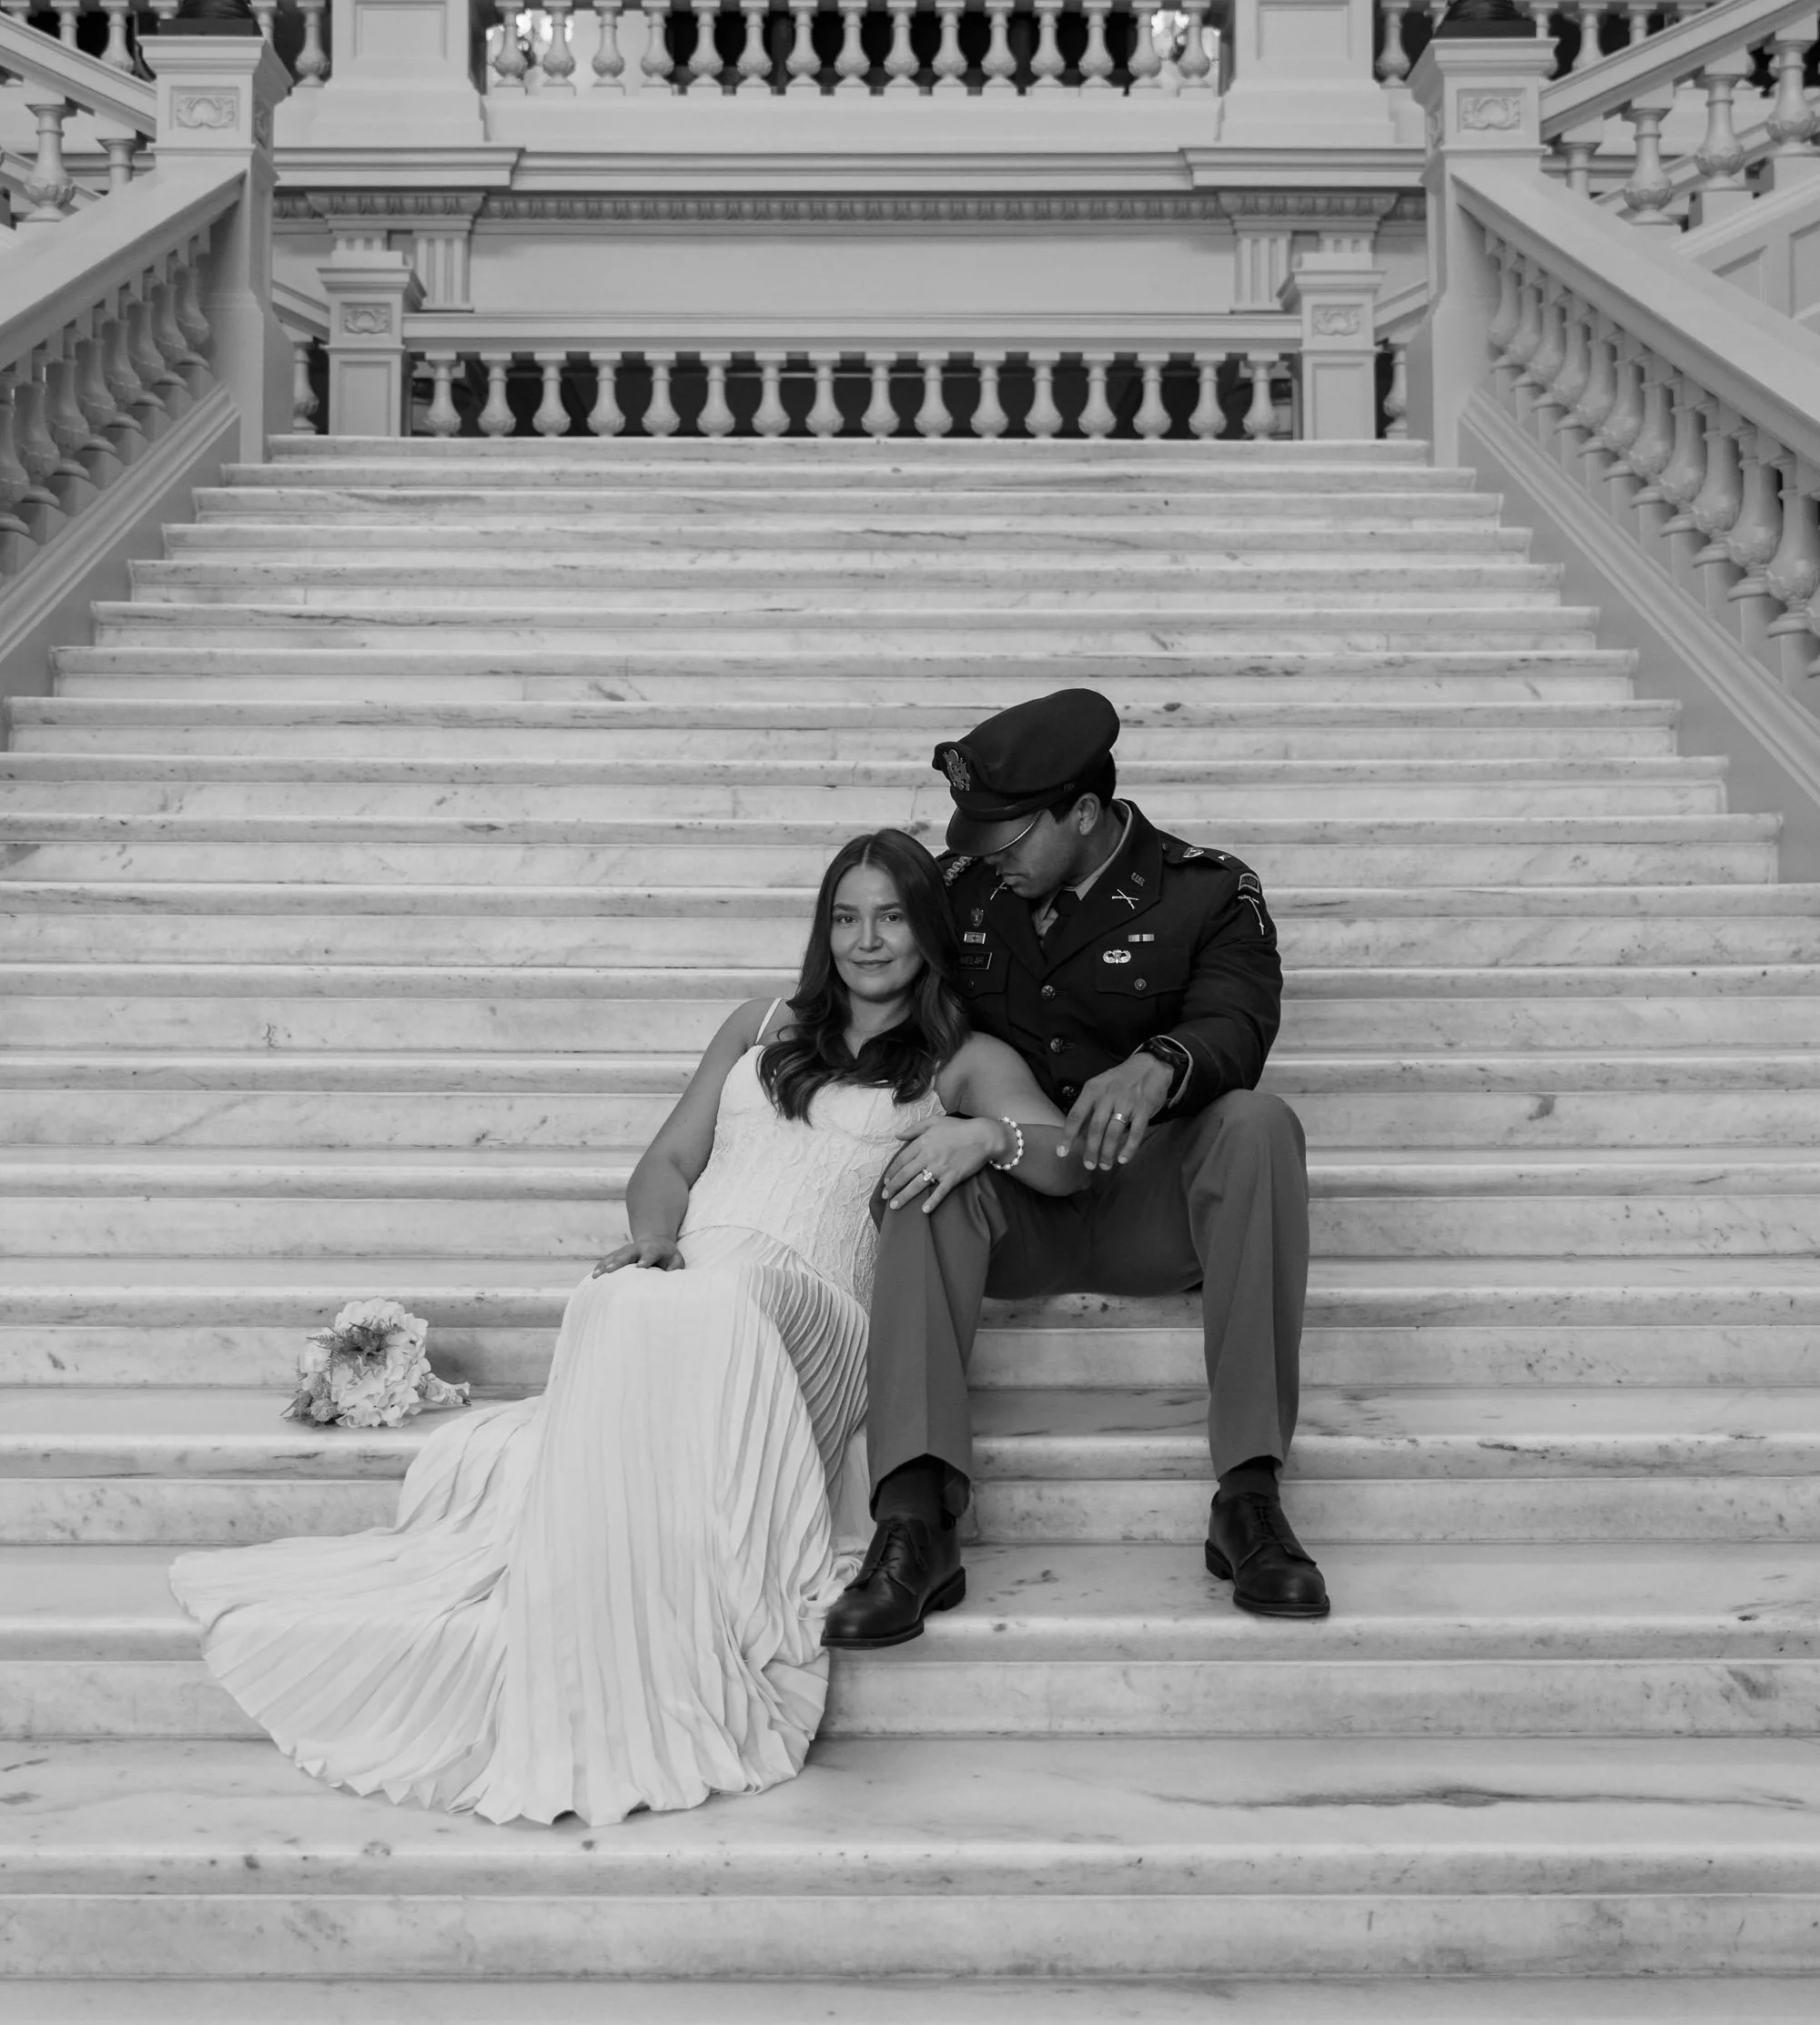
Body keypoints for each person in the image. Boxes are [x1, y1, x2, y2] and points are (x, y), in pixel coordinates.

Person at [170, 829, 1081, 1826]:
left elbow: (1066, 1160)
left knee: (719, 1304)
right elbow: (666, 1164)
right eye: (846, 915)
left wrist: (990, 1132)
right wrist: (656, 1238)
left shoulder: (962, 1058)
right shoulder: (759, 1023)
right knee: (618, 1294)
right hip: (698, 1270)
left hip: (812, 1312)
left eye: (892, 916)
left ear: (928, 931)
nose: (867, 939)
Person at [824, 689, 1324, 1654]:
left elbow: (1238, 1020)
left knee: (1258, 1126)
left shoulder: (1205, 891)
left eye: (1010, 836)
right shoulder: (965, 890)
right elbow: (869, 973)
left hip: (1149, 1201)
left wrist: (1162, 1061)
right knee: (922, 1168)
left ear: (1082, 814)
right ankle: (914, 1522)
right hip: (1010, 1206)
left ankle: (1249, 1497)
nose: (988, 856)